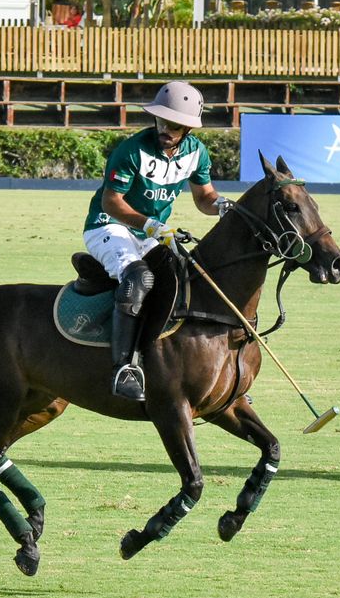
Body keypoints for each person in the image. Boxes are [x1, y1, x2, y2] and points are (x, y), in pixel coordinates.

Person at [82, 81, 231, 401]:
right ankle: (124, 368)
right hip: (108, 226)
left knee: (184, 276)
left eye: (174, 125)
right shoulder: (131, 150)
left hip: (150, 233)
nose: (165, 128)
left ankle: (186, 364)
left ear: (188, 128)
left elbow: (204, 196)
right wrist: (150, 225)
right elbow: (112, 202)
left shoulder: (196, 154)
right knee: (139, 278)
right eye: (161, 120)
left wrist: (220, 206)